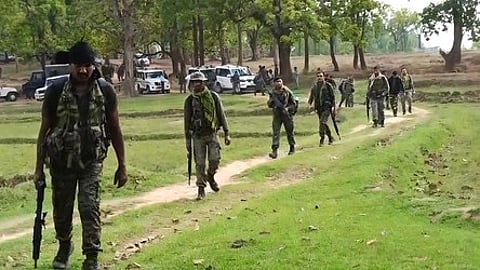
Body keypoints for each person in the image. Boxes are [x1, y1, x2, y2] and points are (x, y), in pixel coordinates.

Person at [33, 41, 127, 270]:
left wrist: (122, 165)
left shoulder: (105, 90)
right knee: (62, 210)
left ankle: (92, 256)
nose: (83, 70)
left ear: (93, 66)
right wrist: (38, 169)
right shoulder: (55, 92)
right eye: (78, 66)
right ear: (70, 66)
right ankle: (65, 246)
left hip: (91, 161)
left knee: (89, 206)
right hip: (61, 161)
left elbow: (115, 129)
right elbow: (44, 131)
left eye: (88, 65)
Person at [184, 72, 231, 200]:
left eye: (199, 82)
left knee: (214, 159)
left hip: (212, 133)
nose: (196, 84)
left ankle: (210, 176)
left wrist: (227, 133)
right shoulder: (189, 101)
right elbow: (187, 122)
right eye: (194, 82)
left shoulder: (213, 97)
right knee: (199, 163)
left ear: (204, 82)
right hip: (197, 136)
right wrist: (187, 140)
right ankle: (201, 188)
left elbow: (221, 114)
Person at [267, 77, 297, 158]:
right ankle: (274, 151)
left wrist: (288, 109)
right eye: (276, 82)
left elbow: (294, 103)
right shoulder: (273, 92)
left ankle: (292, 147)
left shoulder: (287, 91)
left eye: (279, 81)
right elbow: (269, 105)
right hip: (277, 115)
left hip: (287, 115)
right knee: (276, 132)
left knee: (289, 132)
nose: (278, 83)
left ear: (282, 82)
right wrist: (271, 101)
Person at [308, 72, 336, 146]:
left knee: (322, 122)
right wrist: (310, 105)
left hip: (327, 107)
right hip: (319, 108)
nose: (319, 77)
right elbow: (311, 97)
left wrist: (333, 107)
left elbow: (333, 97)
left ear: (323, 77)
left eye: (321, 76)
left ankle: (322, 138)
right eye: (318, 76)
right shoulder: (314, 87)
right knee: (323, 123)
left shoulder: (328, 86)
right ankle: (330, 137)